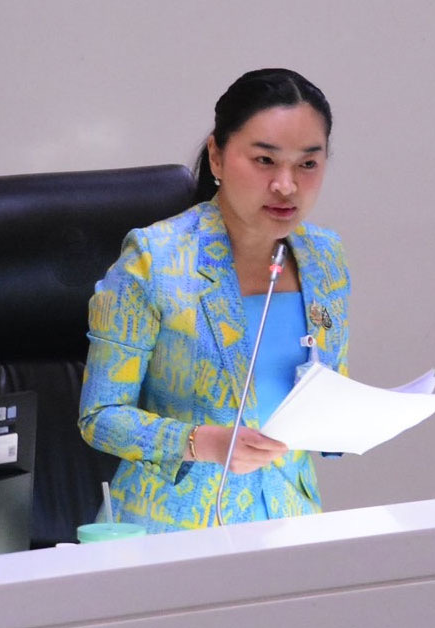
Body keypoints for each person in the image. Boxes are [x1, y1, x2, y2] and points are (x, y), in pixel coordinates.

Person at [79, 68, 350, 534]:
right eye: (264, 160)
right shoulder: (156, 260)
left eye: (308, 164)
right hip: (171, 532)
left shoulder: (324, 256)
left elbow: (326, 390)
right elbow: (100, 417)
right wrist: (201, 443)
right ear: (217, 157)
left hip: (290, 524)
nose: (286, 185)